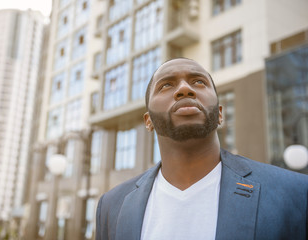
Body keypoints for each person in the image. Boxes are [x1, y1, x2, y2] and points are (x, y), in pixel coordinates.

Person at [95, 58, 308, 240]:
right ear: (148, 121)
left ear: (220, 114)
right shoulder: (112, 205)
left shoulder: (296, 193)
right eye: (166, 85)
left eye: (198, 82)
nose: (185, 89)